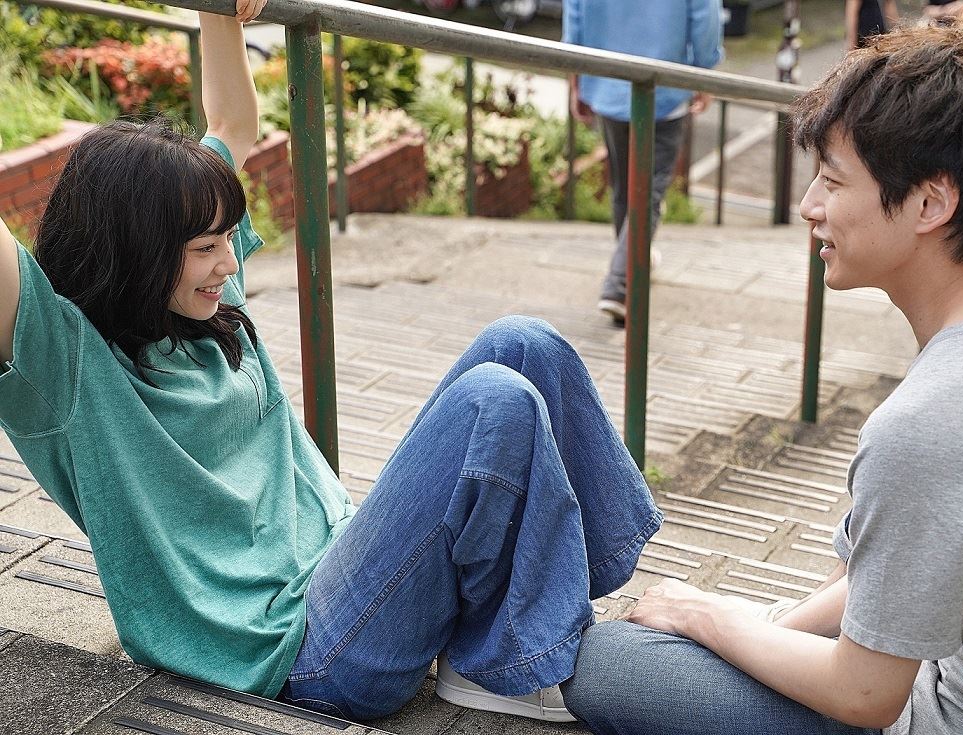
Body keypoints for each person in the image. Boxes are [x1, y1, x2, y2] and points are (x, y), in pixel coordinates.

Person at [0, 2, 662, 725]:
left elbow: (232, 123)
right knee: (493, 400)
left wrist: (218, 9)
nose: (229, 262)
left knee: (525, 342)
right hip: (304, 651)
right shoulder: (67, 364)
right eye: (205, 248)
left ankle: (544, 620)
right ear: (135, 253)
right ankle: (509, 663)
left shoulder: (203, 305)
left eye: (227, 238)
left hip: (350, 561)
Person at [562, 21, 963, 735]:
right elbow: (894, 578)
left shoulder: (931, 423)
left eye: (833, 180)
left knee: (608, 662)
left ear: (930, 203)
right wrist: (763, 630)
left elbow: (864, 695)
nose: (809, 206)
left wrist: (707, 616)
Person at [562, 0, 723, 326]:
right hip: (663, 85)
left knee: (625, 185)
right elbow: (704, 15)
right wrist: (704, 72)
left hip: (608, 80)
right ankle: (621, 284)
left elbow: (575, 14)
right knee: (648, 189)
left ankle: (634, 263)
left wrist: (576, 76)